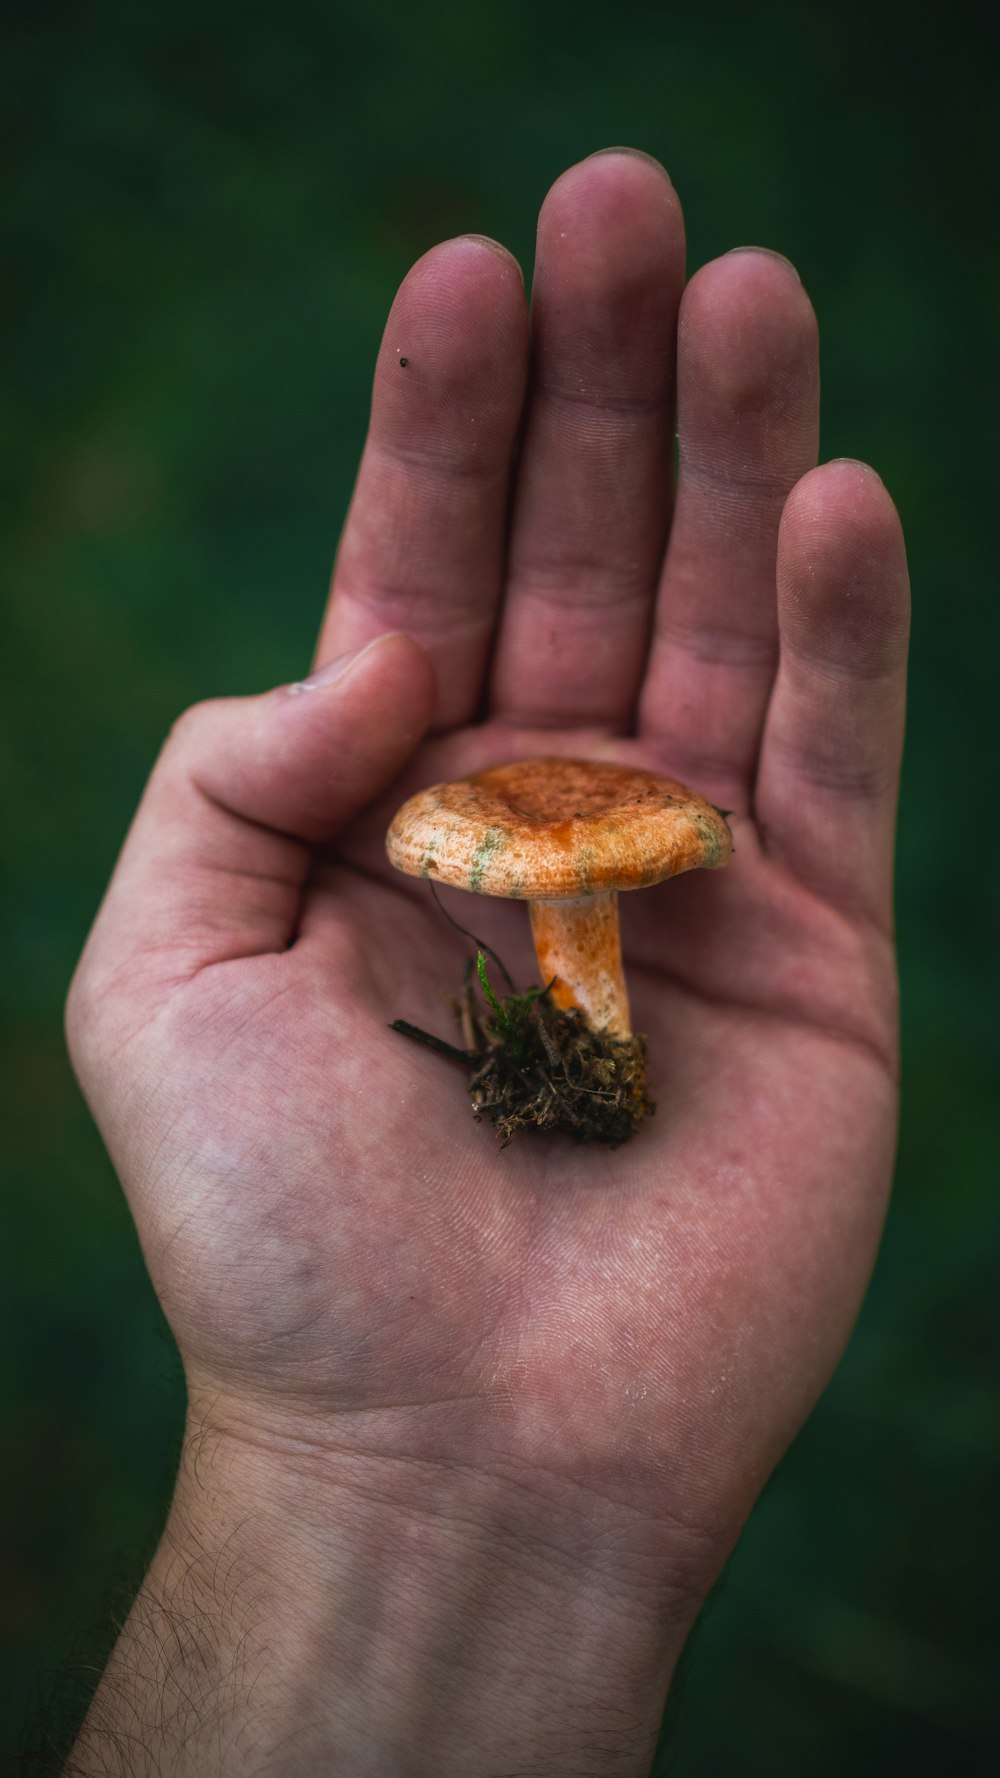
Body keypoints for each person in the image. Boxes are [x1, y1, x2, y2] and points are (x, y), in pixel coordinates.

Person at [63, 148, 909, 1775]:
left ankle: (585, 1072)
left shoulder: (592, 831)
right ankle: (582, 1078)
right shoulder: (486, 828)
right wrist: (375, 1478)